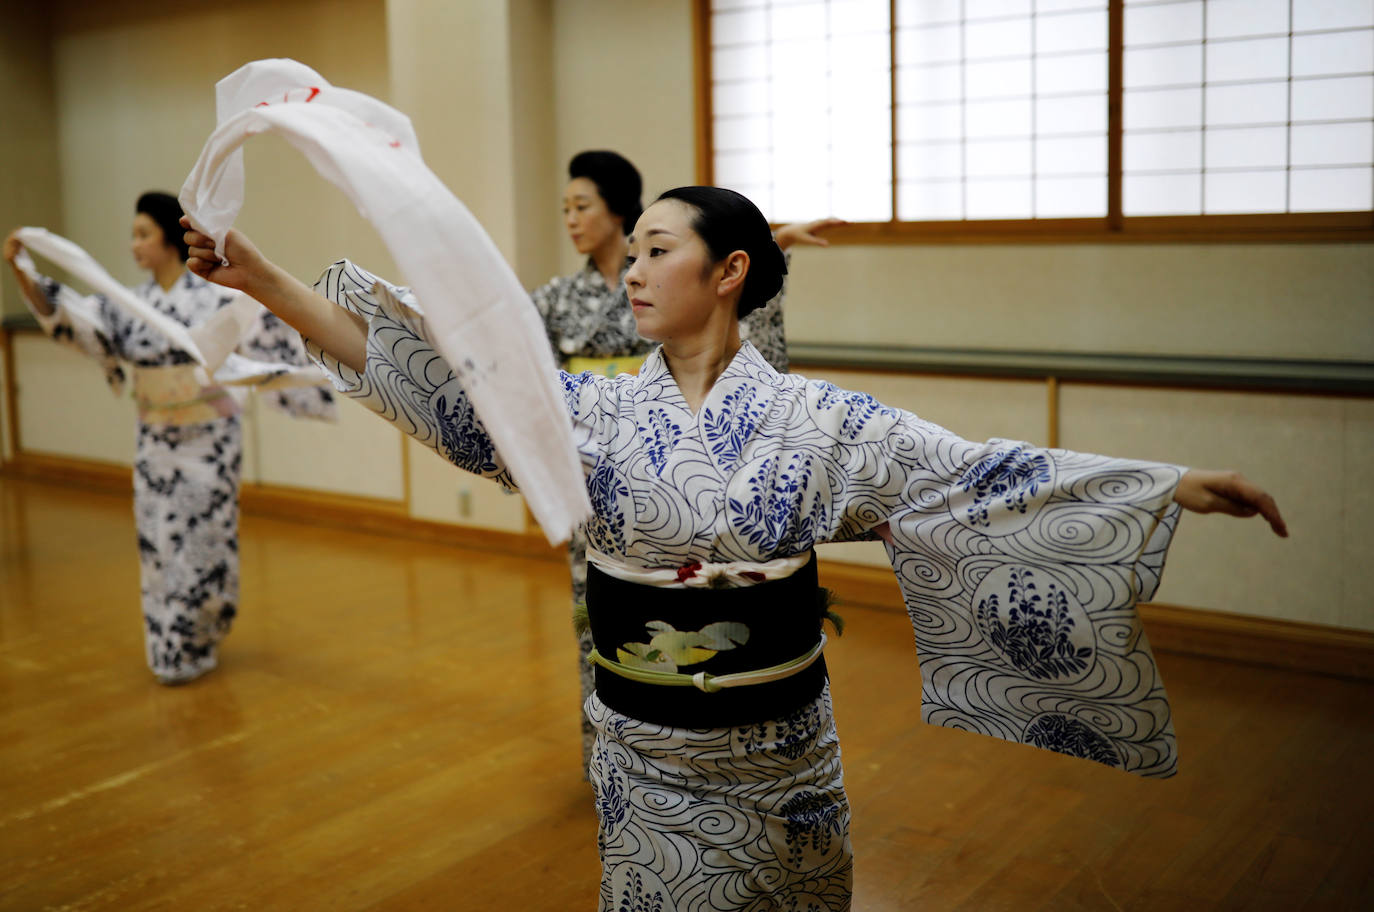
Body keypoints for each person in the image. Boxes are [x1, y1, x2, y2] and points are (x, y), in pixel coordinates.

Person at [180, 188, 1285, 910]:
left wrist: (1165, 485)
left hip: (786, 761)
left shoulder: (820, 422)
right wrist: (267, 283)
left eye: (660, 249)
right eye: (636, 249)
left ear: (731, 272)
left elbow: (972, 474)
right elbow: (434, 378)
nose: (634, 268)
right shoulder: (592, 411)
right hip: (648, 762)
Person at [535, 150, 843, 769]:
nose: (570, 219)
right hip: (606, 466)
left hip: (694, 462)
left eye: (582, 205)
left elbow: (732, 321)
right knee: (600, 610)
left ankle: (723, 738)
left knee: (714, 611)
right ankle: (612, 747)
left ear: (619, 210)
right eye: (564, 208)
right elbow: (530, 376)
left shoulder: (673, 280)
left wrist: (767, 249)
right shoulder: (557, 297)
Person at [3, 192, 335, 684]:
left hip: (209, 443)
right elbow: (72, 318)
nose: (134, 244)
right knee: (159, 544)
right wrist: (24, 269)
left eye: (143, 234)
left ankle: (203, 632)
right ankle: (171, 650)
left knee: (202, 542)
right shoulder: (133, 305)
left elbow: (268, 328)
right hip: (155, 443)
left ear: (167, 240)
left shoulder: (217, 298)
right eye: (133, 235)